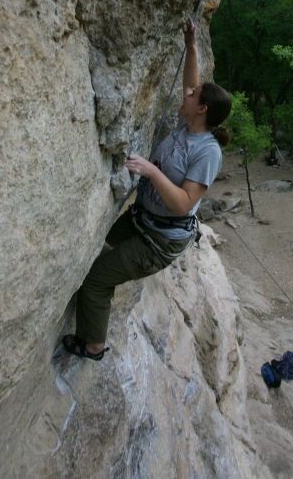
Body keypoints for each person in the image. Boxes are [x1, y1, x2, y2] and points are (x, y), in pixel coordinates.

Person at [63, 19, 232, 360]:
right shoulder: (190, 124)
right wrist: (191, 46)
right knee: (96, 244)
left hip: (160, 241)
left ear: (202, 110)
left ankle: (93, 346)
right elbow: (192, 82)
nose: (187, 94)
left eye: (193, 96)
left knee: (96, 278)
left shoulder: (207, 152)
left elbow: (184, 203)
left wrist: (152, 171)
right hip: (144, 220)